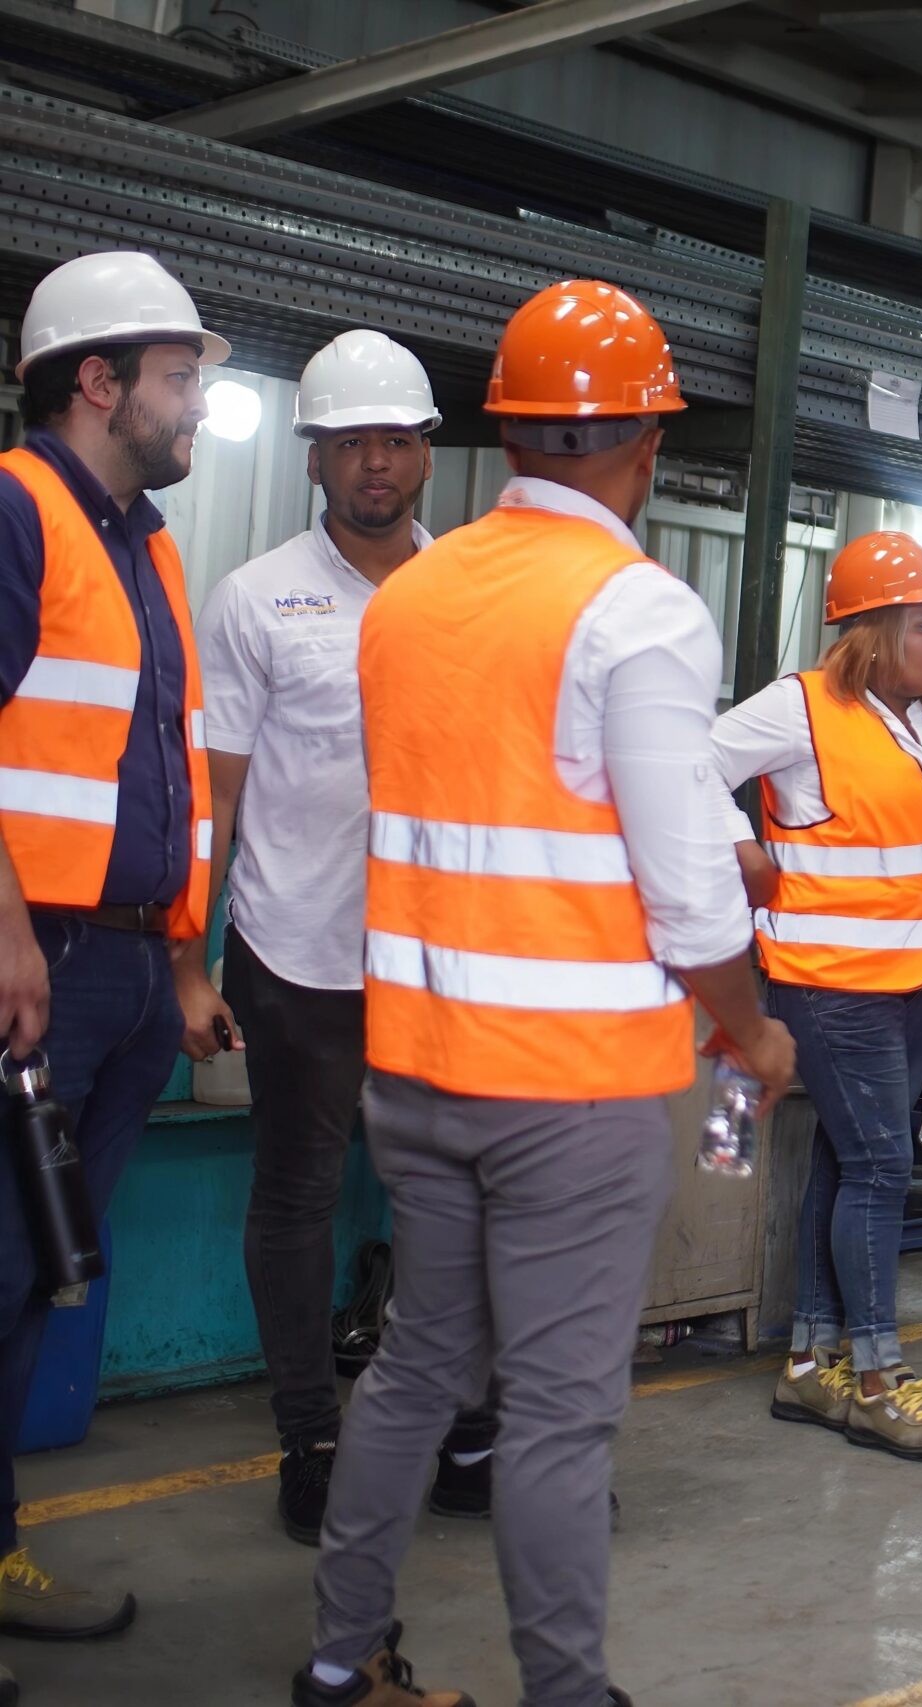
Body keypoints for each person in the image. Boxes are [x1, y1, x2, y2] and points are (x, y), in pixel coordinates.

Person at [294, 279, 795, 1707]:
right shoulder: (638, 612)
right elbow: (688, 887)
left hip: (417, 1073)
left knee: (414, 1369)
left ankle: (339, 1664)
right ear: (648, 442)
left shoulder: (409, 597)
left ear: (504, 432)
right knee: (562, 1419)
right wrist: (750, 1026)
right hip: (571, 1096)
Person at [181, 329, 501, 1548]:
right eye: (351, 441)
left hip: (442, 957)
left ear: (428, 455)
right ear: (314, 456)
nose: (376, 462)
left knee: (459, 1199)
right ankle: (310, 1439)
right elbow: (217, 795)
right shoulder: (257, 597)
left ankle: (467, 1430)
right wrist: (189, 956)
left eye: (397, 441)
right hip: (298, 953)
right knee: (297, 1198)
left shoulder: (469, 593)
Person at [0, 250, 227, 1683]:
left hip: (132, 969)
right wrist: (8, 930)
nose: (196, 404)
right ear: (99, 381)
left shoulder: (146, 545)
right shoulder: (15, 508)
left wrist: (184, 966)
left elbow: (164, 771)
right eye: (179, 377)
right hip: (44, 961)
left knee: (40, 1272)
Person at [714, 531, 922, 1462]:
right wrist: (738, 846)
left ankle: (808, 1363)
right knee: (880, 1166)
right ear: (870, 632)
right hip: (832, 987)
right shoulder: (802, 708)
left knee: (848, 1159)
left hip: (917, 986)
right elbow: (685, 763)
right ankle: (876, 1381)